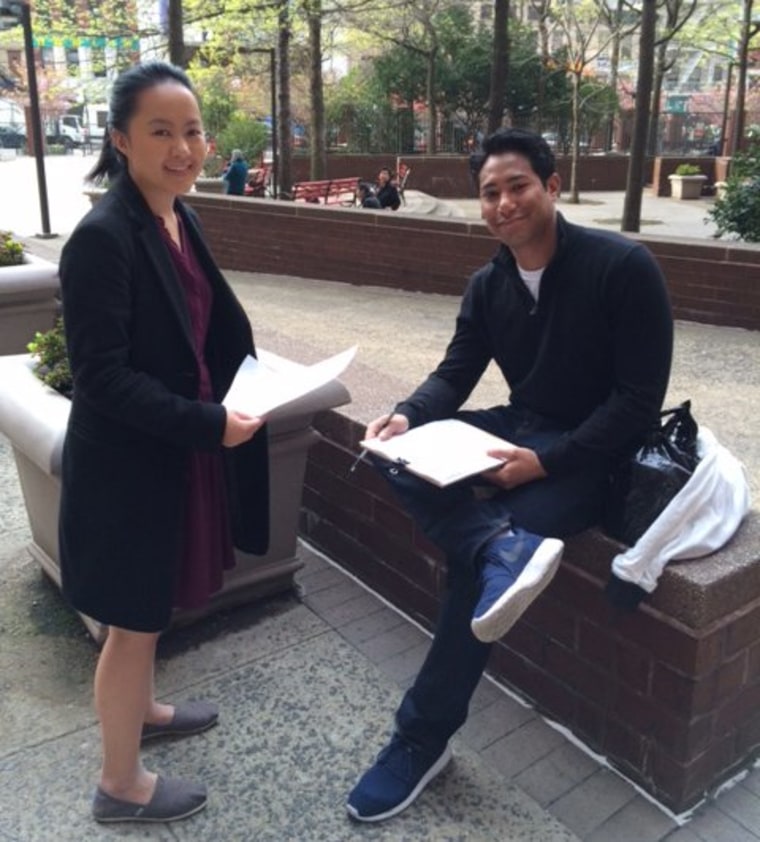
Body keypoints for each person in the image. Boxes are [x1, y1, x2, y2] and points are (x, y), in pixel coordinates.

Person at [346, 127, 673, 822]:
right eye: (489, 192)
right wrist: (406, 416)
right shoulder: (488, 284)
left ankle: (418, 741)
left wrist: (545, 464)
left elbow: (638, 402)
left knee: (472, 579)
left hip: (595, 458)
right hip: (524, 426)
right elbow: (456, 370)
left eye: (518, 185)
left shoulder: (623, 267)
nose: (503, 202)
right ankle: (496, 548)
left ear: (552, 187)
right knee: (395, 455)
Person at [58, 61, 270, 824]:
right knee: (132, 619)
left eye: (192, 130)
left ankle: (143, 708)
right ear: (120, 139)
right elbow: (102, 379)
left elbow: (194, 327)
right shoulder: (103, 238)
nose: (183, 147)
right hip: (129, 467)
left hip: (171, 454)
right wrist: (212, 424)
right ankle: (119, 786)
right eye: (160, 131)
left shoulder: (176, 214)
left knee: (144, 607)